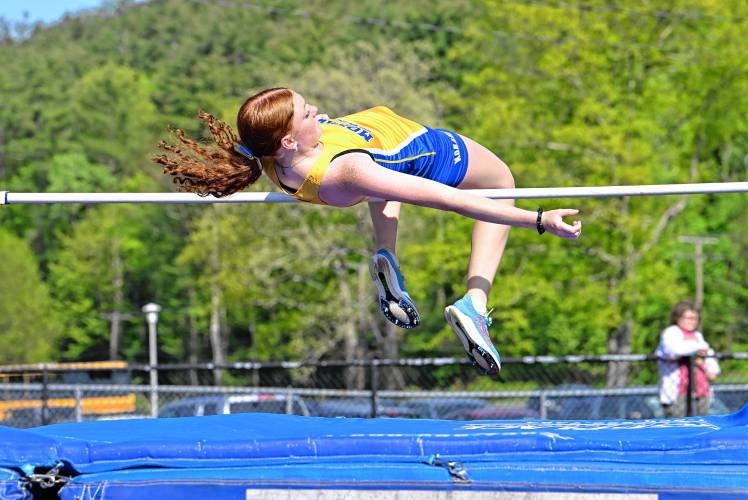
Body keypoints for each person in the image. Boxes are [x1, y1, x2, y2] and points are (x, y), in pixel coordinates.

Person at [153, 87, 582, 377]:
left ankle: (386, 256)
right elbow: (447, 199)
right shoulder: (349, 172)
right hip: (426, 149)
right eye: (307, 113)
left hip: (367, 155)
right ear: (287, 140)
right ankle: (475, 303)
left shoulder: (269, 161)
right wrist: (539, 219)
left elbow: (279, 135)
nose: (316, 110)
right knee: (499, 182)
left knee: (379, 184)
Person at [655, 301, 720, 417]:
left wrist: (709, 368)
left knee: (702, 427)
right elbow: (674, 350)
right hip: (678, 392)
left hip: (701, 390)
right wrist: (697, 348)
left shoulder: (698, 336)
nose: (692, 321)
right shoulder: (671, 333)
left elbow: (710, 357)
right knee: (678, 429)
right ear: (678, 317)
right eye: (689, 318)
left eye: (695, 318)